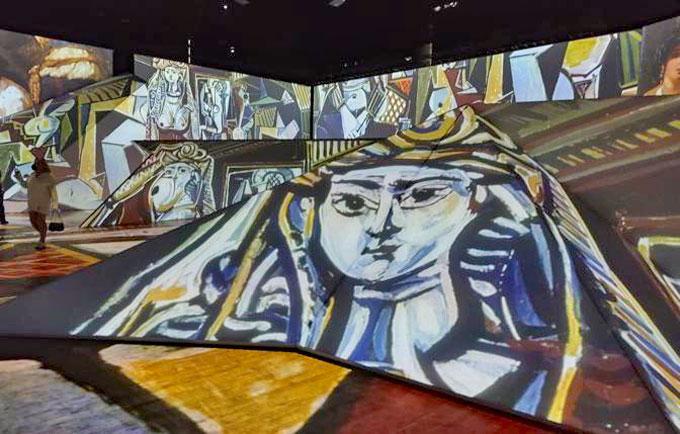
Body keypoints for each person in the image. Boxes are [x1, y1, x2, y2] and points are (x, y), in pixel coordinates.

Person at [25, 158, 58, 250]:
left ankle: (42, 240)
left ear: (43, 165)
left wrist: (55, 204)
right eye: (36, 163)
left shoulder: (49, 177)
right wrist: (19, 177)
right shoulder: (32, 175)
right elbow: (26, 185)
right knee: (33, 221)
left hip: (43, 202)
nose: (37, 165)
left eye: (39, 163)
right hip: (32, 201)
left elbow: (53, 192)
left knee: (40, 221)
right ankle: (43, 233)